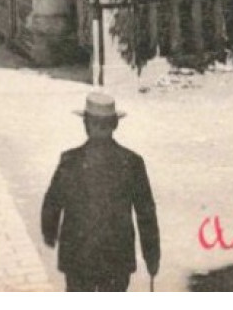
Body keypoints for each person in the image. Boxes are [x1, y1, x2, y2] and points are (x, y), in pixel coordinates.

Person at [40, 92, 161, 292]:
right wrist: (152, 255)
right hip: (116, 257)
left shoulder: (70, 160)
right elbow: (146, 212)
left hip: (78, 255)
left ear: (85, 125)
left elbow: (52, 202)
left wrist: (49, 231)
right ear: (115, 125)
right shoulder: (131, 162)